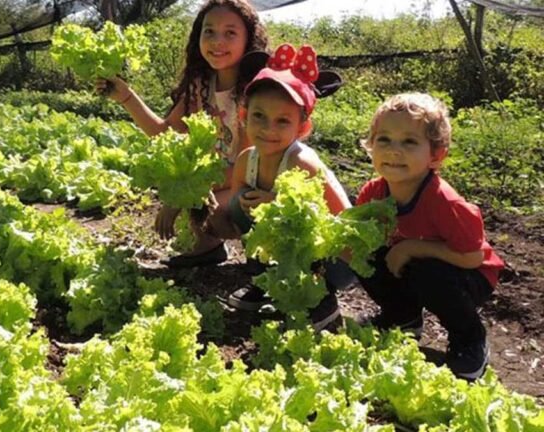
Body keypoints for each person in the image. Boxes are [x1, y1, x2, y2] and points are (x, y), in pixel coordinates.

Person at [96, 0, 268, 268]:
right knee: (192, 209)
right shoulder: (199, 86)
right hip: (215, 183)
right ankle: (208, 248)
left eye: (230, 33)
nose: (217, 41)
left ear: (249, 40)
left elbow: (246, 167)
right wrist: (126, 96)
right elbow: (164, 134)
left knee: (221, 211)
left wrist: (185, 194)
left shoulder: (255, 91)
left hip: (255, 184)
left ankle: (262, 259)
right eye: (209, 31)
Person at [355, 93, 505, 380]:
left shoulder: (445, 203)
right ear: (371, 146)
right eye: (384, 139)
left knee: (428, 272)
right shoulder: (372, 193)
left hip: (469, 273)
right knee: (364, 252)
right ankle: (402, 316)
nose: (394, 150)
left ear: (436, 154)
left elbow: (473, 256)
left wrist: (412, 247)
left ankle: (469, 337)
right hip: (414, 266)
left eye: (409, 141)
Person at [211, 43, 355, 332]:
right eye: (259, 117)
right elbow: (238, 218)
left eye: (282, 121)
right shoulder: (245, 161)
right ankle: (265, 282)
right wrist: (213, 215)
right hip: (289, 247)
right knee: (242, 201)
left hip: (337, 257)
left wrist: (277, 203)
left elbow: (335, 225)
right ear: (243, 116)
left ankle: (321, 299)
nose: (268, 129)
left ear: (302, 129)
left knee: (272, 216)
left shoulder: (302, 162)